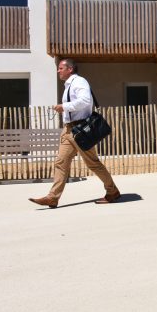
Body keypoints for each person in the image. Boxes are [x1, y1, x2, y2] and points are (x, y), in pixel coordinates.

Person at [29, 58, 120, 208]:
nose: (58, 71)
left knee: (93, 164)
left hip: (80, 130)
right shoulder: (68, 85)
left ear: (70, 69)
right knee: (61, 162)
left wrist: (64, 106)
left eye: (61, 68)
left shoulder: (79, 82)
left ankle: (113, 191)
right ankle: (53, 197)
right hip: (68, 130)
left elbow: (85, 101)